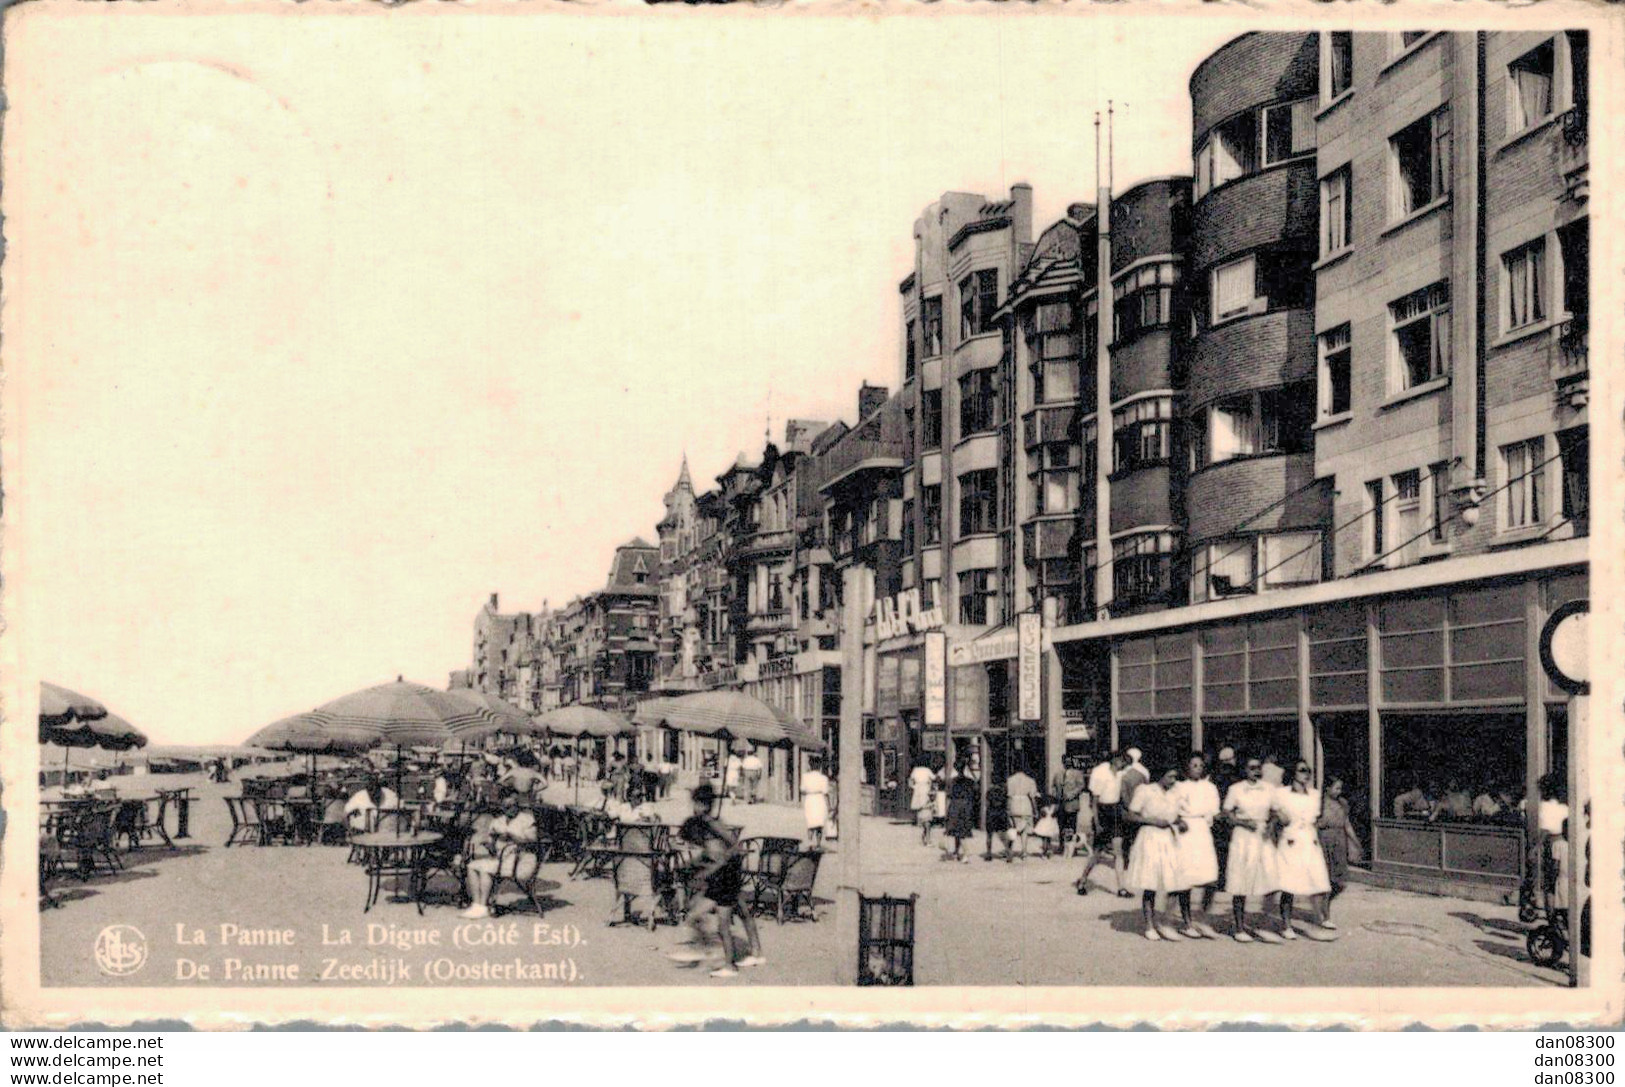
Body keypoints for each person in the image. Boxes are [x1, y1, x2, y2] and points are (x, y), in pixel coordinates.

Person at [667, 783, 764, 978]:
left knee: (717, 921)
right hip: (725, 874)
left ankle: (724, 961)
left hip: (726, 874)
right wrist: (696, 865)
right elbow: (711, 852)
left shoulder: (712, 823)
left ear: (703, 804)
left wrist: (712, 868)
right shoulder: (703, 823)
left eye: (695, 803)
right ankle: (755, 952)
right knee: (741, 913)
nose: (693, 807)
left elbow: (734, 847)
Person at [1125, 767, 1193, 941]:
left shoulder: (1175, 793)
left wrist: (1180, 822)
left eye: (1175, 777)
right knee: (1151, 883)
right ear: (1159, 775)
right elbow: (1130, 815)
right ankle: (1149, 926)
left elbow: (1174, 815)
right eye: (1170, 776)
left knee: (1174, 881)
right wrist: (1151, 821)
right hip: (1150, 839)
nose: (1173, 781)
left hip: (1169, 838)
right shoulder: (1145, 791)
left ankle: (1166, 923)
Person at [1272, 760, 1333, 938]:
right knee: (1289, 886)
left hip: (1310, 841)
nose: (1306, 774)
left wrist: (1321, 824)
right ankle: (1286, 926)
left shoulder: (1314, 795)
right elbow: (1274, 813)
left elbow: (1316, 819)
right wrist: (1279, 816)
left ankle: (1319, 921)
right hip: (1291, 842)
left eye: (1309, 771)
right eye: (1302, 771)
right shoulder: (1281, 794)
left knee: (1319, 882)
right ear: (1293, 773)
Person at [1222, 755, 1280, 943]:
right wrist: (1243, 822)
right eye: (1252, 767)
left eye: (1258, 767)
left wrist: (1270, 827)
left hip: (1262, 837)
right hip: (1243, 838)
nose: (1256, 770)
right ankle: (1239, 927)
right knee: (1241, 881)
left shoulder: (1269, 789)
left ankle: (1262, 925)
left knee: (1269, 879)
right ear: (1244, 770)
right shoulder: (1236, 789)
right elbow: (1227, 814)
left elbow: (1275, 813)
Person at [461, 786, 538, 919]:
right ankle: (477, 904)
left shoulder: (527, 819)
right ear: (501, 806)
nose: (511, 809)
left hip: (521, 861)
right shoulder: (498, 822)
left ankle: (483, 906)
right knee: (472, 866)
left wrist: (511, 835)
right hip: (502, 859)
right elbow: (493, 849)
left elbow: (533, 843)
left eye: (514, 805)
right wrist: (489, 842)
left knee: (486, 869)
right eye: (506, 806)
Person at [1173, 752, 1221, 938]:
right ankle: (1187, 923)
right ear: (1186, 767)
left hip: (1202, 832)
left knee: (1211, 879)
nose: (1198, 769)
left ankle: (1202, 919)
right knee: (1186, 880)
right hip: (1185, 832)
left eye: (1200, 765)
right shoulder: (1178, 787)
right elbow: (1171, 808)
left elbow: (1214, 811)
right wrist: (1178, 821)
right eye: (1194, 765)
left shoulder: (1210, 787)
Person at [1078, 751, 1130, 896]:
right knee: (1097, 853)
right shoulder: (1099, 772)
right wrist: (1096, 822)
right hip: (1102, 811)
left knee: (1118, 851)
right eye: (1121, 760)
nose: (1123, 763)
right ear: (1114, 760)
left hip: (1115, 811)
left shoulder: (1121, 774)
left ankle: (1121, 888)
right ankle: (1083, 880)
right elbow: (1094, 801)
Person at [1316, 776, 1360, 925]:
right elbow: (1313, 823)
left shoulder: (1343, 803)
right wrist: (1319, 824)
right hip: (1324, 840)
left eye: (1340, 788)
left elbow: (1347, 824)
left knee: (1339, 881)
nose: (1339, 791)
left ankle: (1322, 906)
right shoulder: (1319, 803)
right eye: (1336, 788)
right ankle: (1325, 915)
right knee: (1326, 879)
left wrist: (1355, 842)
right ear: (1327, 788)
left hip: (1339, 840)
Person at [943, 764, 978, 863]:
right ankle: (957, 851)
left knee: (957, 830)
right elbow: (975, 791)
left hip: (955, 805)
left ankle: (965, 853)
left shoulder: (952, 781)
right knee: (963, 830)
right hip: (967, 805)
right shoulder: (970, 781)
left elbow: (949, 795)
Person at [1006, 763, 1038, 860]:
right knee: (1025, 830)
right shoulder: (1030, 780)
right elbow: (1033, 797)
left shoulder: (1010, 780)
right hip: (1025, 805)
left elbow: (1009, 795)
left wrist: (1008, 809)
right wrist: (1035, 809)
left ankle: (1010, 852)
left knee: (1013, 829)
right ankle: (1024, 851)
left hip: (1014, 804)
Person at [801, 756, 831, 849]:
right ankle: (818, 844)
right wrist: (829, 805)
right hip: (819, 800)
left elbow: (802, 790)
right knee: (819, 823)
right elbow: (826, 793)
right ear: (820, 766)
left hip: (809, 799)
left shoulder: (805, 777)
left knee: (810, 822)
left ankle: (809, 842)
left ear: (810, 765)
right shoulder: (824, 778)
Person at [1058, 757, 1087, 848]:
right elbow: (1055, 786)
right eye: (1066, 762)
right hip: (1061, 803)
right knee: (1061, 825)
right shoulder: (1059, 774)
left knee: (1071, 826)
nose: (1067, 763)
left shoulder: (1077, 774)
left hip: (1072, 803)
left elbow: (1081, 786)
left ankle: (1071, 846)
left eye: (1069, 762)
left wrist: (1072, 794)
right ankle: (1062, 845)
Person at [908, 760, 937, 845]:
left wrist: (914, 787)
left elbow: (910, 781)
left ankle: (920, 822)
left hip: (917, 790)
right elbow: (934, 778)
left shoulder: (915, 770)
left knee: (920, 808)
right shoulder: (927, 770)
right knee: (926, 808)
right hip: (925, 789)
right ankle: (926, 834)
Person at [984, 780, 1013, 862]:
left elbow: (987, 803)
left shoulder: (989, 791)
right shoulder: (1004, 791)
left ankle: (989, 853)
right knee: (1003, 835)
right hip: (1001, 813)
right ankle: (1008, 853)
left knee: (989, 835)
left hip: (991, 813)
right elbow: (1007, 803)